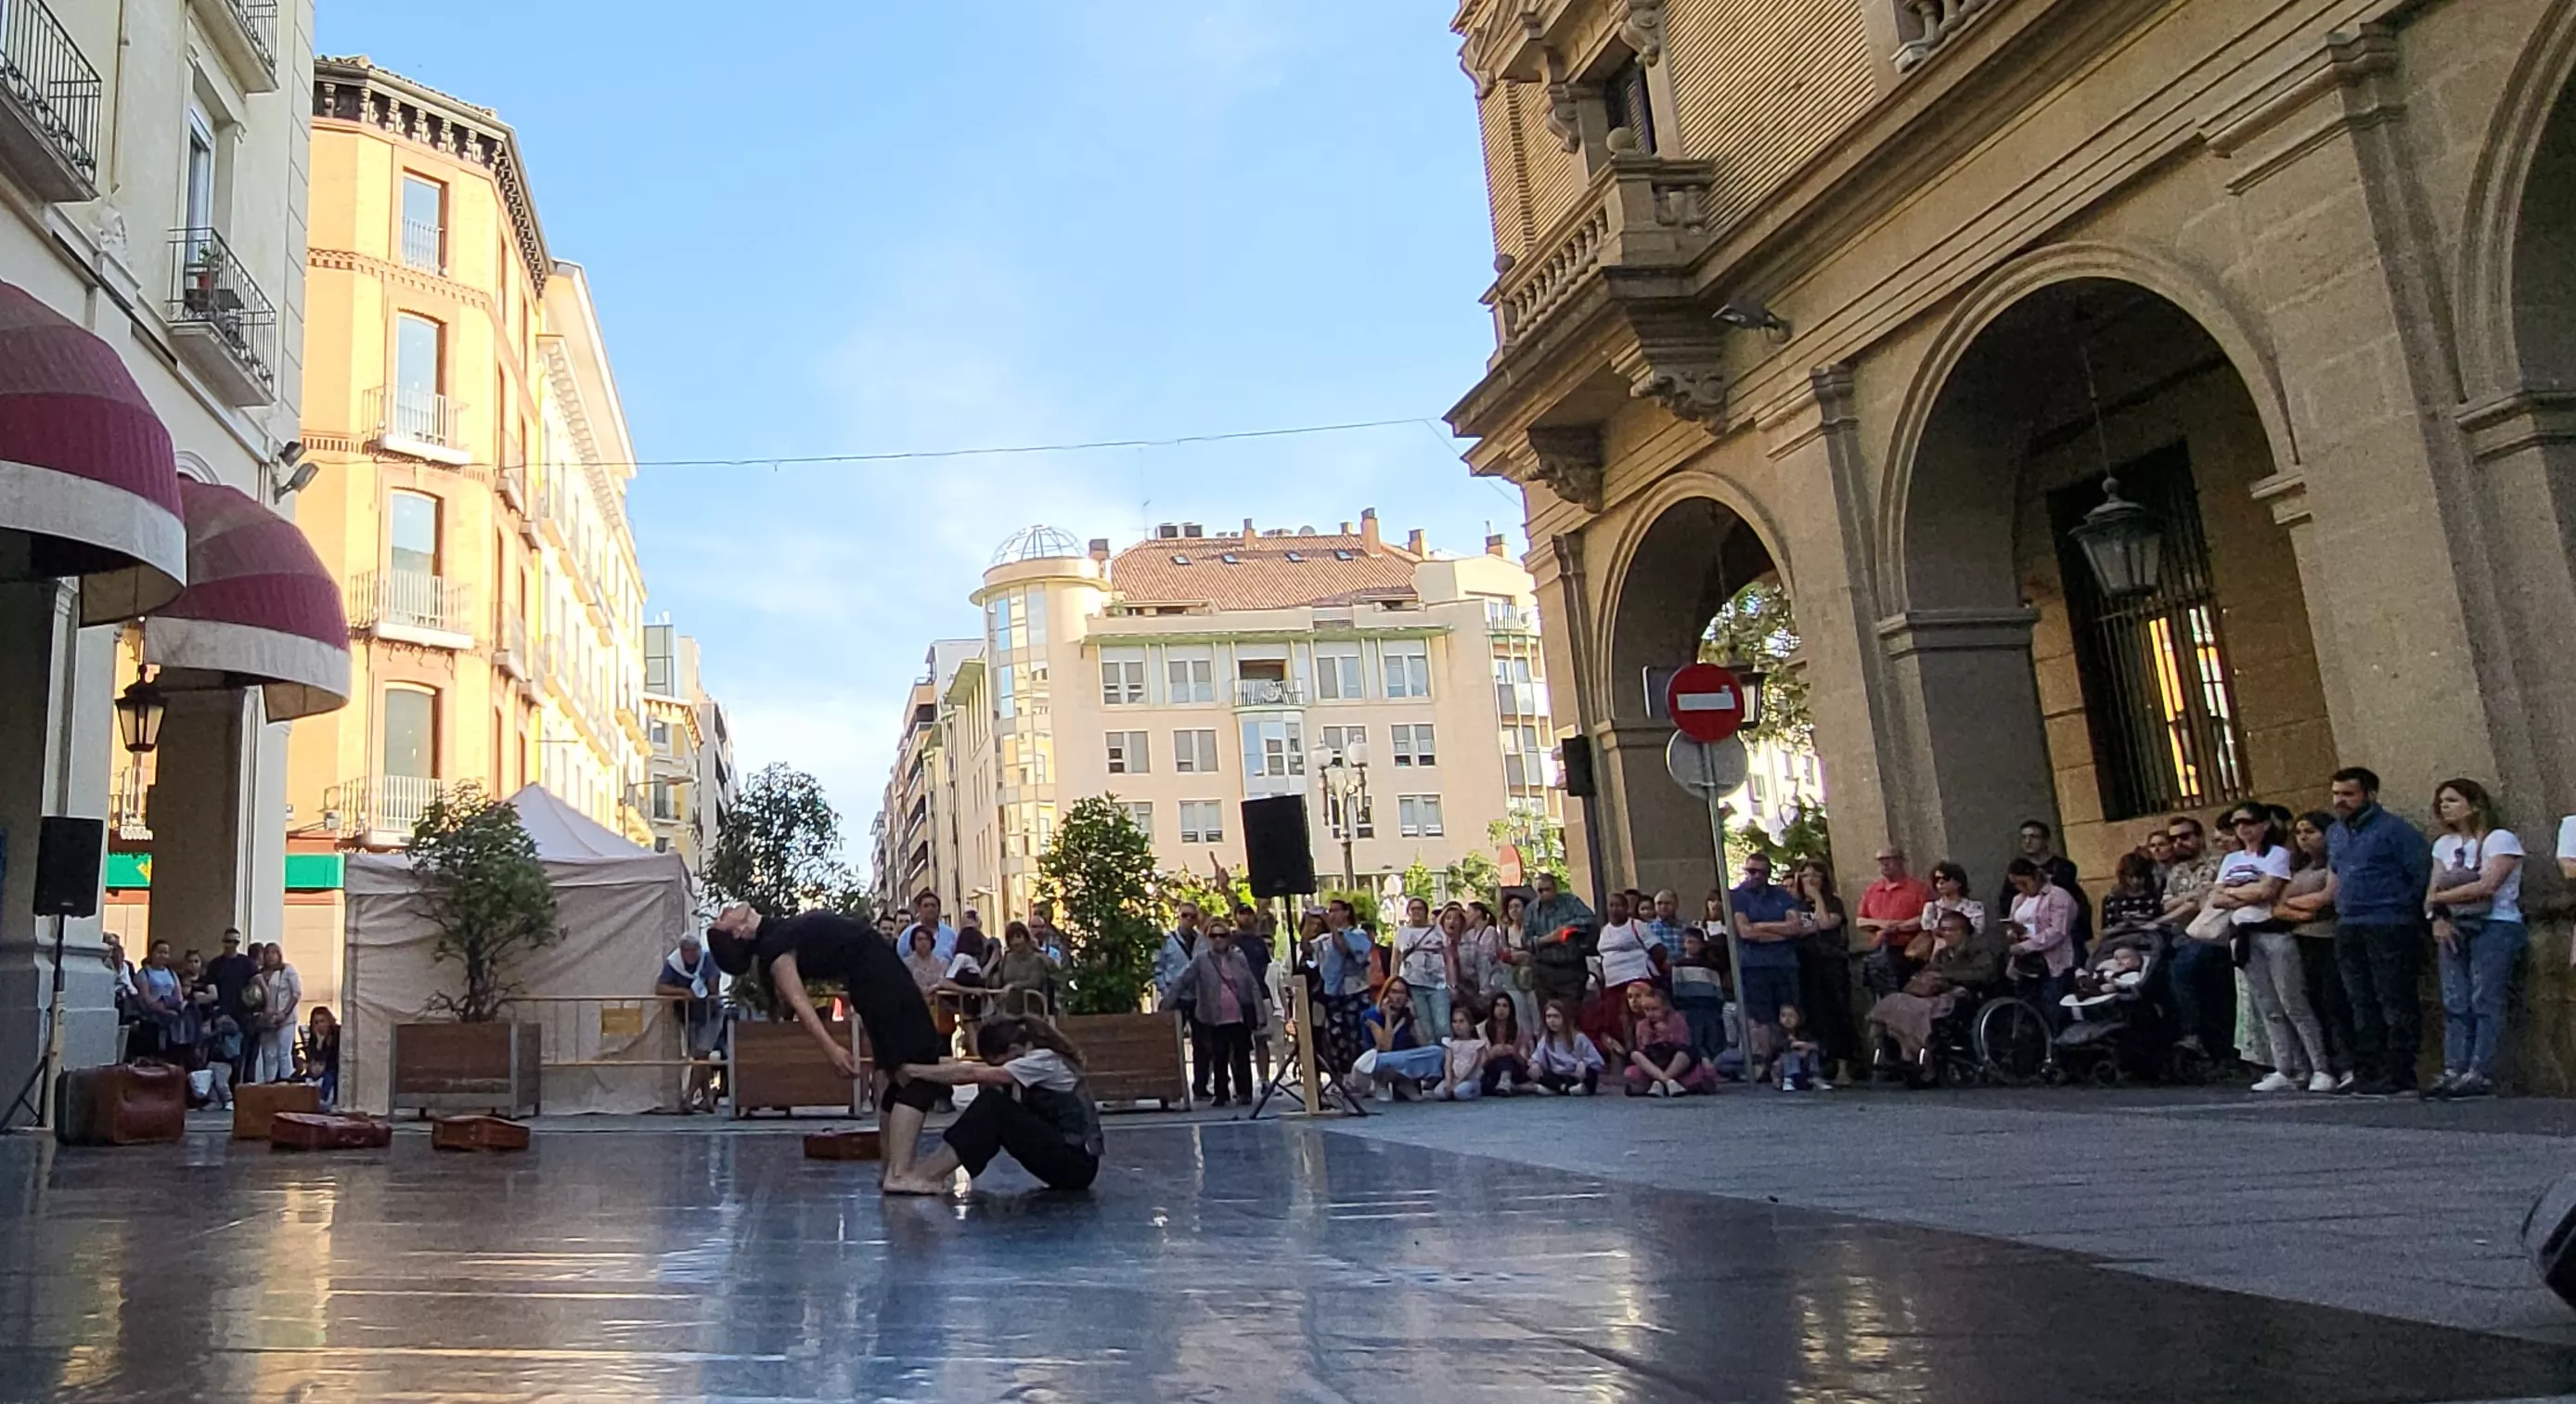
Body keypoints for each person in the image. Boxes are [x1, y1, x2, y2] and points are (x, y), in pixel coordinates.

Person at [707, 903, 947, 1191]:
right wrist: (831, 1049)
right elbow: (800, 1002)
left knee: (901, 1073)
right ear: (738, 933)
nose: (725, 909)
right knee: (919, 1068)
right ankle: (900, 1173)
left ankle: (892, 1170)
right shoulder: (773, 950)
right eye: (722, 919)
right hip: (879, 982)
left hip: (878, 978)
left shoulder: (774, 932)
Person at [883, 1018, 1101, 1195]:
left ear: (1014, 1049)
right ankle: (928, 1172)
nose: (999, 1068)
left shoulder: (1044, 1060)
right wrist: (920, 1064)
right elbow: (967, 1067)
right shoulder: (1031, 1057)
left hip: (1076, 1164)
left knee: (993, 1106)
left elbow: (970, 1073)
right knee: (993, 1102)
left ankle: (928, 1174)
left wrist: (912, 1071)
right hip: (1069, 1158)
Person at [2323, 767, 2433, 1096]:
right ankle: (2368, 1070)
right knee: (2359, 1001)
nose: (2340, 801)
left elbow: (2420, 873)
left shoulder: (2395, 830)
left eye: (2348, 794)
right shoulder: (2336, 833)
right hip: (2349, 923)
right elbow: (2337, 873)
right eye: (2336, 794)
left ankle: (2400, 1073)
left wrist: (2404, 908)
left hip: (2389, 922)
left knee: (2394, 1000)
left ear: (2369, 794)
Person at [2215, 804, 2331, 1092]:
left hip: (2273, 933)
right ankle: (2287, 1067)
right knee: (2268, 1006)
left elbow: (2268, 892)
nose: (2243, 828)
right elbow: (2216, 898)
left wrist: (2235, 893)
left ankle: (2321, 1067)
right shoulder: (2231, 859)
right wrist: (2246, 894)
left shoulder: (2278, 854)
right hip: (2243, 934)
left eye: (2249, 822)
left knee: (2293, 1002)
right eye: (2236, 823)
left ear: (2265, 825)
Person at [2425, 778, 2525, 1101]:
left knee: (2486, 998)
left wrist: (2441, 898)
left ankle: (2482, 1071)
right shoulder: (2443, 845)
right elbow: (2431, 889)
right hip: (2453, 925)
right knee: (2456, 1000)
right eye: (2441, 801)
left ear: (2475, 804)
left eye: (2452, 800)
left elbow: (2488, 885)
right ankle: (2455, 1068)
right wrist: (2437, 915)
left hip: (2495, 924)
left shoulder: (2500, 840)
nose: (2445, 806)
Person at [2275, 810, 2355, 1089]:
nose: (2303, 838)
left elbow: (2326, 900)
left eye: (2310, 832)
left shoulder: (2334, 865)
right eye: (2299, 833)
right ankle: (2323, 1064)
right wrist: (2302, 911)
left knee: (2335, 1001)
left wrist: (2302, 906)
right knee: (2310, 1003)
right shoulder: (2300, 869)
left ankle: (2348, 1064)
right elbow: (2280, 907)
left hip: (2328, 938)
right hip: (2302, 938)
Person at [1731, 853, 1804, 1083]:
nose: (1756, 876)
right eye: (1752, 871)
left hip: (1784, 964)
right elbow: (1745, 931)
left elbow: (1795, 927)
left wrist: (1761, 926)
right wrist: (1777, 931)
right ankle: (1766, 1063)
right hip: (1754, 965)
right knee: (1762, 1019)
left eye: (1761, 872)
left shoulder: (1782, 895)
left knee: (1789, 1016)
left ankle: (1790, 1064)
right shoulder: (1737, 896)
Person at [1171, 924, 1262, 1106]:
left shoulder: (1238, 958)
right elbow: (1184, 979)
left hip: (1238, 1015)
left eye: (1222, 935)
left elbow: (1252, 985)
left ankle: (1244, 1092)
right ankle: (1221, 1094)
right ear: (1208, 938)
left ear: (1229, 938)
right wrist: (1169, 1000)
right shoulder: (1201, 960)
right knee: (1219, 1055)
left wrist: (1259, 1014)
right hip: (1214, 1016)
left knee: (1241, 1055)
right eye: (1213, 936)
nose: (1218, 939)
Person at [1788, 859, 1857, 1082]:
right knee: (1811, 1014)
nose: (1810, 880)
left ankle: (1844, 1066)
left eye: (1815, 875)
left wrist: (1817, 898)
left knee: (1836, 1014)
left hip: (1830, 964)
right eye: (1806, 876)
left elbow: (1825, 923)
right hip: (1804, 964)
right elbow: (1794, 930)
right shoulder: (1794, 906)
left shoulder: (1833, 902)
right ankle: (1816, 1064)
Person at [1995, 819, 2090, 959]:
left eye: (2033, 837)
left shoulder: (2063, 868)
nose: (2027, 842)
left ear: (2045, 840)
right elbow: (2006, 901)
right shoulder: (2017, 869)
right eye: (2024, 837)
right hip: (2028, 935)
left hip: (2063, 933)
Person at [658, 934, 728, 1112]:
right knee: (699, 1057)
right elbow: (660, 987)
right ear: (682, 951)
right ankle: (708, 1098)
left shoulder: (707, 959)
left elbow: (714, 988)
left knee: (702, 1054)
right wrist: (682, 992)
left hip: (711, 1013)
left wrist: (711, 987)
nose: (692, 955)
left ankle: (688, 1098)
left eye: (695, 951)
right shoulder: (674, 963)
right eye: (688, 951)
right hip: (689, 1015)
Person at [1351, 977, 1445, 1101]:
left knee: (1437, 1051)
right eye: (1394, 992)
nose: (1398, 997)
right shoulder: (1371, 1015)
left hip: (1403, 1058)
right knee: (1391, 1059)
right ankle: (1381, 1083)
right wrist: (1388, 1017)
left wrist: (1414, 1017)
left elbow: (1424, 1044)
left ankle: (1404, 1082)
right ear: (1386, 993)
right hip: (1377, 1060)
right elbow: (1385, 1047)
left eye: (1402, 993)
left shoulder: (1406, 1014)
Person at [2002, 857, 2076, 1011]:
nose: (2021, 888)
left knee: (2052, 1004)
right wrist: (2012, 932)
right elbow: (2013, 919)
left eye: (2024, 883)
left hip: (2052, 958)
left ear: (2036, 877)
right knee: (2029, 1004)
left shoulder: (2058, 896)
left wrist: (2026, 946)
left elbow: (2057, 931)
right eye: (2016, 884)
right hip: (2026, 960)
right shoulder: (2018, 899)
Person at [1313, 903, 1375, 1076]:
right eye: (1329, 910)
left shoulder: (1357, 934)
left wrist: (1334, 928)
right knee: (1336, 1035)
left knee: (1356, 1034)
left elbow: (1344, 949)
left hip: (1355, 990)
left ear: (1346, 912)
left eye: (1335, 910)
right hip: (1333, 991)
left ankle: (1361, 1074)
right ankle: (1342, 1074)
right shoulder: (1324, 938)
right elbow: (1306, 948)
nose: (1331, 914)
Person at [1590, 890, 1657, 1048]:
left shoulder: (1637, 925)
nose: (1614, 909)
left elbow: (1657, 949)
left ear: (1626, 908)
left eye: (1619, 905)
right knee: (1615, 1022)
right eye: (1611, 905)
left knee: (1640, 1018)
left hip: (1637, 980)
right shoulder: (1605, 930)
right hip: (1613, 984)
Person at [1622, 985, 1715, 1097]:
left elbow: (1683, 1043)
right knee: (1635, 1055)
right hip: (1654, 1061)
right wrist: (1649, 1035)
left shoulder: (1677, 1019)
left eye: (1655, 1009)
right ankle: (1667, 1081)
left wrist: (1665, 1034)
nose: (1651, 1014)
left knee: (1683, 1055)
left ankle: (1660, 1082)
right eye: (1647, 1010)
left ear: (1665, 1007)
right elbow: (1642, 1048)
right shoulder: (1642, 1025)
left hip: (1674, 1057)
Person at [1391, 896, 1455, 1039]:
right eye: (1413, 909)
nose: (1416, 912)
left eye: (1419, 908)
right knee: (1424, 1026)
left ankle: (1446, 1056)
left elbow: (1448, 957)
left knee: (1442, 1025)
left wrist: (1452, 983)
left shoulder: (1437, 930)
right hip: (1413, 985)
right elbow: (1395, 958)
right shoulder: (1402, 932)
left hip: (1438, 984)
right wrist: (1393, 981)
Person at [1855, 846, 1937, 959]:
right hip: (1879, 948)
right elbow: (1860, 921)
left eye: (1889, 859)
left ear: (1901, 861)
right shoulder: (1871, 890)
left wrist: (1895, 928)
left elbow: (1927, 918)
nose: (1884, 864)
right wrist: (1884, 925)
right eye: (1881, 860)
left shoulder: (1920, 888)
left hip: (1912, 949)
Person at [1670, 928, 1730, 1069]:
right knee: (1695, 1038)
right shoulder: (1679, 964)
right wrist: (1679, 1005)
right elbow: (1676, 986)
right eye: (1688, 942)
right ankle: (1698, 1065)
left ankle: (1716, 1066)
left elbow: (1716, 984)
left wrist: (1718, 1001)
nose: (1690, 945)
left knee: (1713, 1036)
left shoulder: (1710, 964)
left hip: (1709, 1005)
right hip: (1690, 1005)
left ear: (1701, 944)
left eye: (1694, 942)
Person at [1527, 998, 1604, 1095]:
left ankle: (1564, 1089)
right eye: (1549, 1017)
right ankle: (1565, 1089)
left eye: (1556, 1016)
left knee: (1591, 1074)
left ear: (1564, 1018)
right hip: (1558, 1076)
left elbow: (1599, 1062)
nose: (1552, 1021)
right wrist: (1535, 1064)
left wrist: (1585, 1063)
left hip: (1577, 1075)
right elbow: (1536, 1059)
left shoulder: (1579, 1038)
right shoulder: (1545, 1040)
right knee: (1539, 1074)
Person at [250, 943, 302, 1084]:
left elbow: (296, 993)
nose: (271, 956)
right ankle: (269, 1083)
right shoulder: (260, 975)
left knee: (284, 1053)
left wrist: (284, 1013)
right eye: (268, 953)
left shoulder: (287, 970)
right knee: (269, 1054)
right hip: (266, 1019)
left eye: (274, 953)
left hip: (285, 1018)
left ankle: (286, 1082)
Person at [129, 941, 181, 1061]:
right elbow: (146, 998)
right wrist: (162, 1010)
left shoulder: (171, 973)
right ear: (152, 953)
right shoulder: (144, 973)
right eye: (160, 952)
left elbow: (178, 995)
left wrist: (172, 1008)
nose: (163, 956)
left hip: (170, 1022)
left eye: (166, 953)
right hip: (150, 1021)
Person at [990, 921, 1057, 1014]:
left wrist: (1013, 986)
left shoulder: (1036, 958)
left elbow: (1035, 982)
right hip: (1008, 1009)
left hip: (1031, 1009)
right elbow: (1000, 980)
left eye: (1018, 937)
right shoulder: (1006, 958)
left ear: (1026, 938)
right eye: (1011, 938)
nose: (1015, 942)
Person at [2099, 852, 2164, 934]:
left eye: (2139, 877)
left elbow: (2162, 925)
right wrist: (2126, 925)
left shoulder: (2154, 897)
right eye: (2131, 877)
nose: (2135, 881)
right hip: (2120, 939)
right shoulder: (2112, 899)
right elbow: (2106, 931)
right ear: (2124, 876)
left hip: (2149, 939)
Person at [1434, 1005, 1489, 1101]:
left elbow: (1472, 1065)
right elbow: (1448, 1064)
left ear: (1470, 1024)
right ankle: (1452, 1090)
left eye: (1461, 1021)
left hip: (1469, 1078)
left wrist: (1458, 1082)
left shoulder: (1477, 1044)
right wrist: (1448, 1081)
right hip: (1454, 1078)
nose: (1457, 1025)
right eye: (1455, 1022)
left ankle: (1472, 1091)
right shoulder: (1451, 1044)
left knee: (1460, 1092)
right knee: (1439, 1093)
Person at [1478, 993, 1530, 1095]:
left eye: (1505, 1006)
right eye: (1498, 1005)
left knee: (1507, 1059)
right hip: (1490, 1069)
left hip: (1514, 1068)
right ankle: (1510, 1085)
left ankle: (1505, 1081)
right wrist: (1491, 1054)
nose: (1501, 1009)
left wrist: (1514, 1052)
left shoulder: (1519, 1028)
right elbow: (1479, 1063)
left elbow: (1524, 1062)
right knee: (1500, 1061)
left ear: (1510, 1009)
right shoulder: (1481, 1029)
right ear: (1492, 1008)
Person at [1774, 1005, 1826, 1091]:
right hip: (1781, 1067)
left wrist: (1805, 1047)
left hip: (1802, 1066)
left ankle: (1814, 1077)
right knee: (1790, 1055)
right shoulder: (1778, 1032)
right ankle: (1788, 1080)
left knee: (1812, 1053)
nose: (1787, 1019)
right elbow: (1778, 1048)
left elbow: (1817, 1046)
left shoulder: (1804, 1033)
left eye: (1791, 1016)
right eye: (1783, 1015)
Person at [901, 891, 959, 964]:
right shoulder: (907, 935)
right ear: (919, 909)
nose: (930, 909)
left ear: (939, 909)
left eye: (933, 905)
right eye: (926, 906)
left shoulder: (951, 935)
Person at [303, 1006, 341, 1108]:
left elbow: (332, 1059)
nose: (320, 1025)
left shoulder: (337, 1034)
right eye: (316, 1022)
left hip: (332, 1068)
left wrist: (324, 1044)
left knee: (329, 1076)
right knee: (301, 1077)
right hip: (318, 1068)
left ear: (329, 1021)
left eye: (322, 1021)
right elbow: (312, 1057)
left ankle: (323, 1098)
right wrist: (319, 1043)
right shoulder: (314, 1037)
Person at [1643, 890, 1693, 957]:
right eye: (1659, 903)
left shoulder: (1686, 929)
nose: (1663, 907)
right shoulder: (1647, 929)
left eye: (1667, 903)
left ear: (1676, 905)